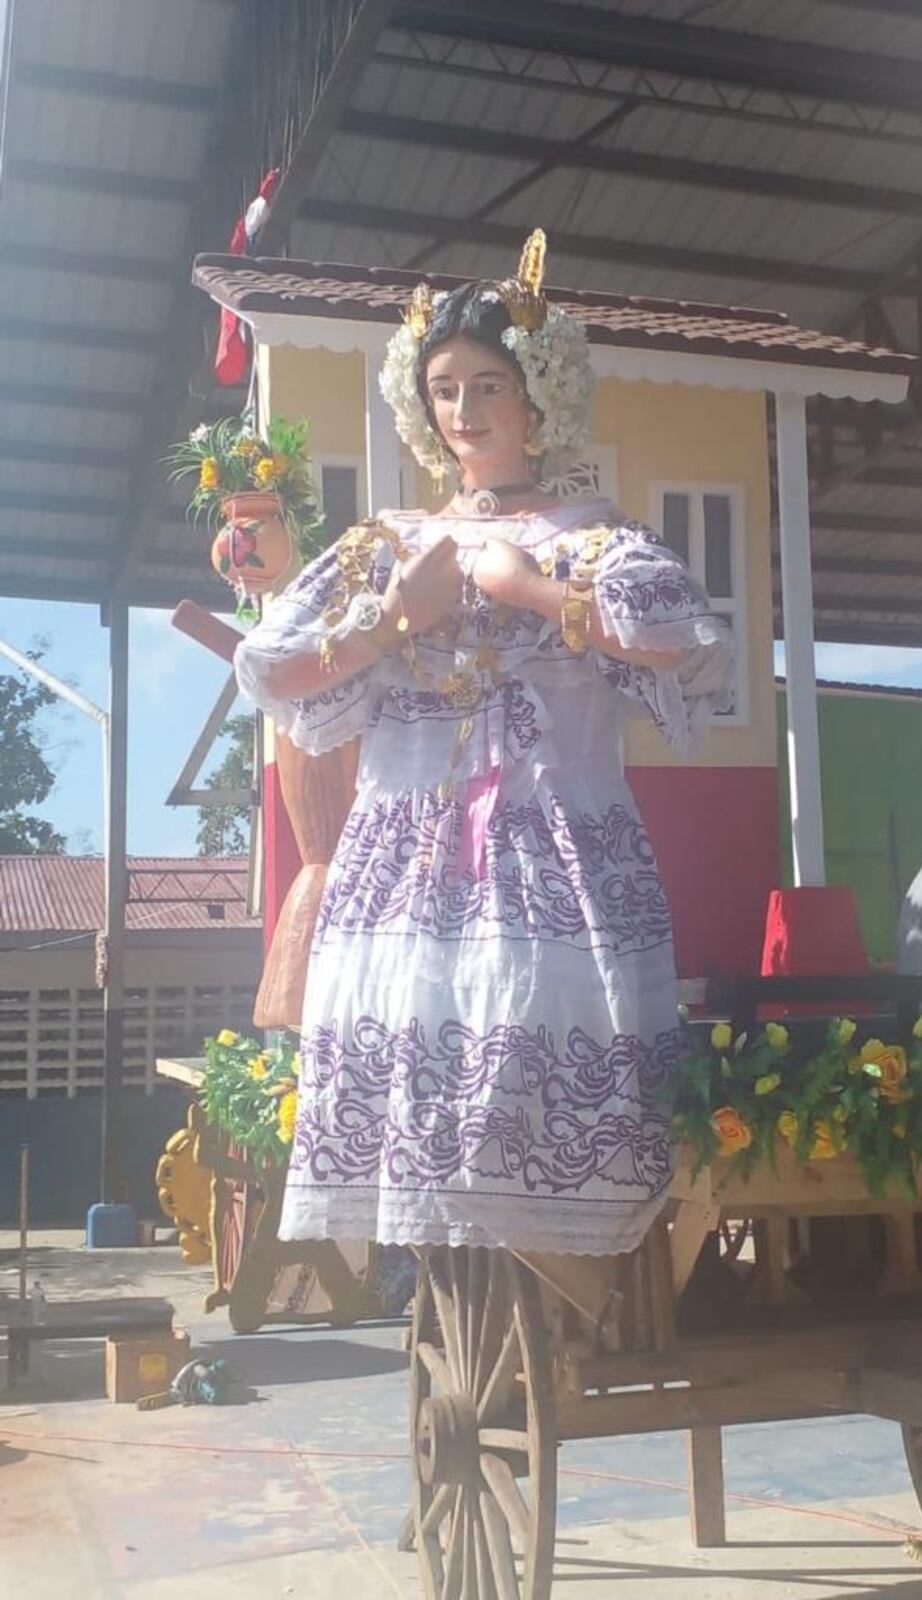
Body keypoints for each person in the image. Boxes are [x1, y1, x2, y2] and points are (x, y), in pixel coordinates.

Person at [234, 232, 731, 1256]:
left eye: (489, 385)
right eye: (447, 388)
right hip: (407, 868)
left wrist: (531, 591)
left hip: (552, 848)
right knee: (421, 1078)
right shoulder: (390, 545)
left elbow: (689, 648)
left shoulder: (597, 539)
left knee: (528, 1045)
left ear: (539, 396)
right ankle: (435, 1270)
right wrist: (393, 619)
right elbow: (274, 668)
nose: (466, 411)